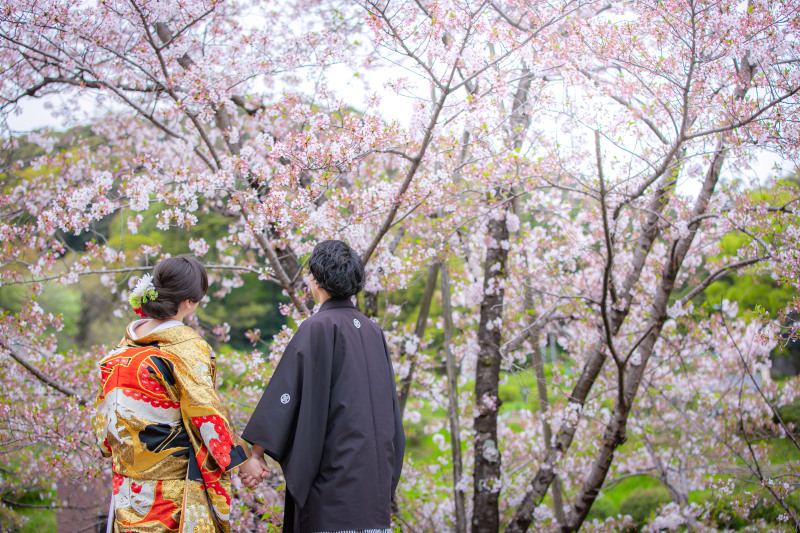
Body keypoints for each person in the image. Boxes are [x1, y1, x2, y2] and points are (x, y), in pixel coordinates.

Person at [241, 240, 405, 533]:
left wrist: (255, 454)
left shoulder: (317, 327)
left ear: (316, 281)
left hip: (332, 486)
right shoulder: (373, 331)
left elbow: (286, 394)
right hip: (374, 487)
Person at [94, 256, 265, 532]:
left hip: (128, 491)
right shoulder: (186, 347)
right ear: (190, 302)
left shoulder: (117, 353)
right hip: (172, 495)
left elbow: (104, 431)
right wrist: (244, 462)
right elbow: (207, 414)